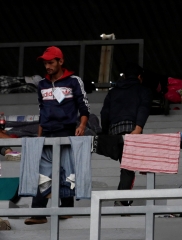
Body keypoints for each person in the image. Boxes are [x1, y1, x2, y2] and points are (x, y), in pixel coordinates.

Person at [25, 46, 90, 225]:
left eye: (51, 62)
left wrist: (82, 125)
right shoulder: (43, 85)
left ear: (60, 61)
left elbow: (84, 107)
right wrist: (39, 136)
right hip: (46, 133)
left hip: (66, 131)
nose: (47, 66)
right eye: (45, 63)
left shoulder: (74, 81)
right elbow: (41, 111)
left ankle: (66, 209)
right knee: (43, 173)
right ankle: (38, 213)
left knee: (66, 170)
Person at [100, 63, 152, 204]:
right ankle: (122, 201)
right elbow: (143, 108)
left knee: (126, 166)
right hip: (132, 131)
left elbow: (104, 113)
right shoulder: (143, 90)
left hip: (114, 133)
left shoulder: (113, 91)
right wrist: (138, 128)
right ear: (139, 77)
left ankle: (120, 199)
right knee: (128, 167)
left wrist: (105, 132)